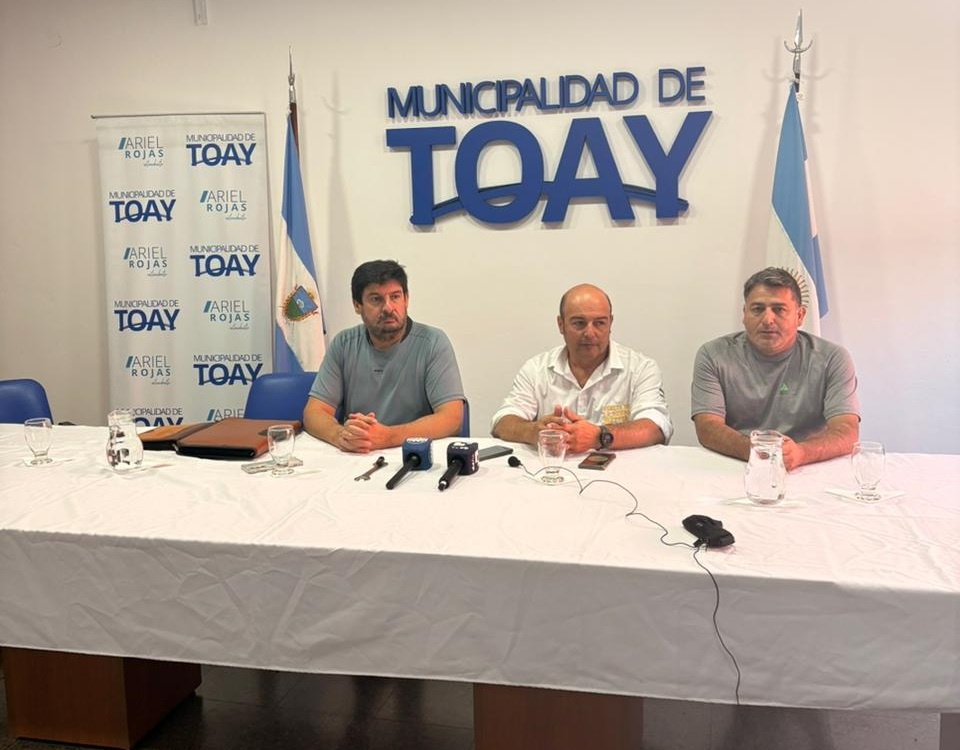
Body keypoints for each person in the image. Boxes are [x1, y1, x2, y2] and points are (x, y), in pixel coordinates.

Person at [691, 267, 860, 471]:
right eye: (757, 309)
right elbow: (707, 427)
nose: (767, 320)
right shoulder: (713, 355)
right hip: (739, 463)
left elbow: (846, 431)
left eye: (779, 309)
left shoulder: (832, 358)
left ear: (800, 315)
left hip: (809, 465)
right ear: (744, 314)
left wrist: (800, 453)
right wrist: (759, 452)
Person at [303, 260, 464, 453]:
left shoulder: (433, 342)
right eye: (376, 299)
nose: (388, 307)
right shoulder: (344, 344)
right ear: (357, 305)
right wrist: (340, 435)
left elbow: (451, 418)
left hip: (413, 454)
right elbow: (314, 412)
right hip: (358, 454)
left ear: (406, 299)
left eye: (395, 297)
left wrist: (387, 437)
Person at [490, 284, 673, 454]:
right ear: (561, 325)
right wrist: (533, 431)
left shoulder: (640, 368)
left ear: (610, 323)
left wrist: (600, 437)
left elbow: (656, 427)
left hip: (622, 473)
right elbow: (502, 422)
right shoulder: (536, 369)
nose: (590, 333)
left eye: (599, 323)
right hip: (553, 470)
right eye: (579, 323)